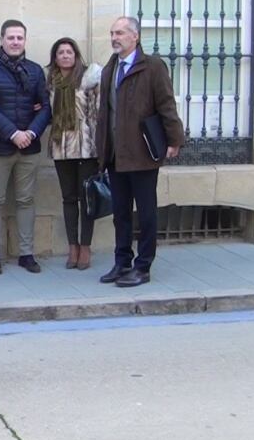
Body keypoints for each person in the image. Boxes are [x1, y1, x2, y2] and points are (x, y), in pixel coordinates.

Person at [96, 17, 184, 287]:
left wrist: (174, 139)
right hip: (115, 154)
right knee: (120, 212)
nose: (115, 37)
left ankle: (143, 266)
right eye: (112, 33)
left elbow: (166, 104)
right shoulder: (110, 67)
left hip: (142, 152)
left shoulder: (153, 67)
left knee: (145, 213)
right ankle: (122, 262)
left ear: (135, 36)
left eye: (120, 32)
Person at [0, 19, 51, 275]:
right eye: (10, 37)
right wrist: (12, 133)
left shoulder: (35, 70)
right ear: (1, 39)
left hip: (29, 147)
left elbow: (45, 107)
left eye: (20, 38)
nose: (15, 42)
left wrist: (30, 132)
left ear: (25, 41)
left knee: (26, 200)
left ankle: (26, 253)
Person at [46, 37, 102, 271]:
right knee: (68, 198)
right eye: (61, 52)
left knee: (86, 199)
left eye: (70, 52)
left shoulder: (89, 78)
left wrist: (100, 147)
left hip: (86, 146)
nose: (66, 56)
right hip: (61, 146)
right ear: (55, 57)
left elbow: (97, 114)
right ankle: (72, 247)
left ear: (76, 55)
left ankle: (86, 247)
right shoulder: (50, 81)